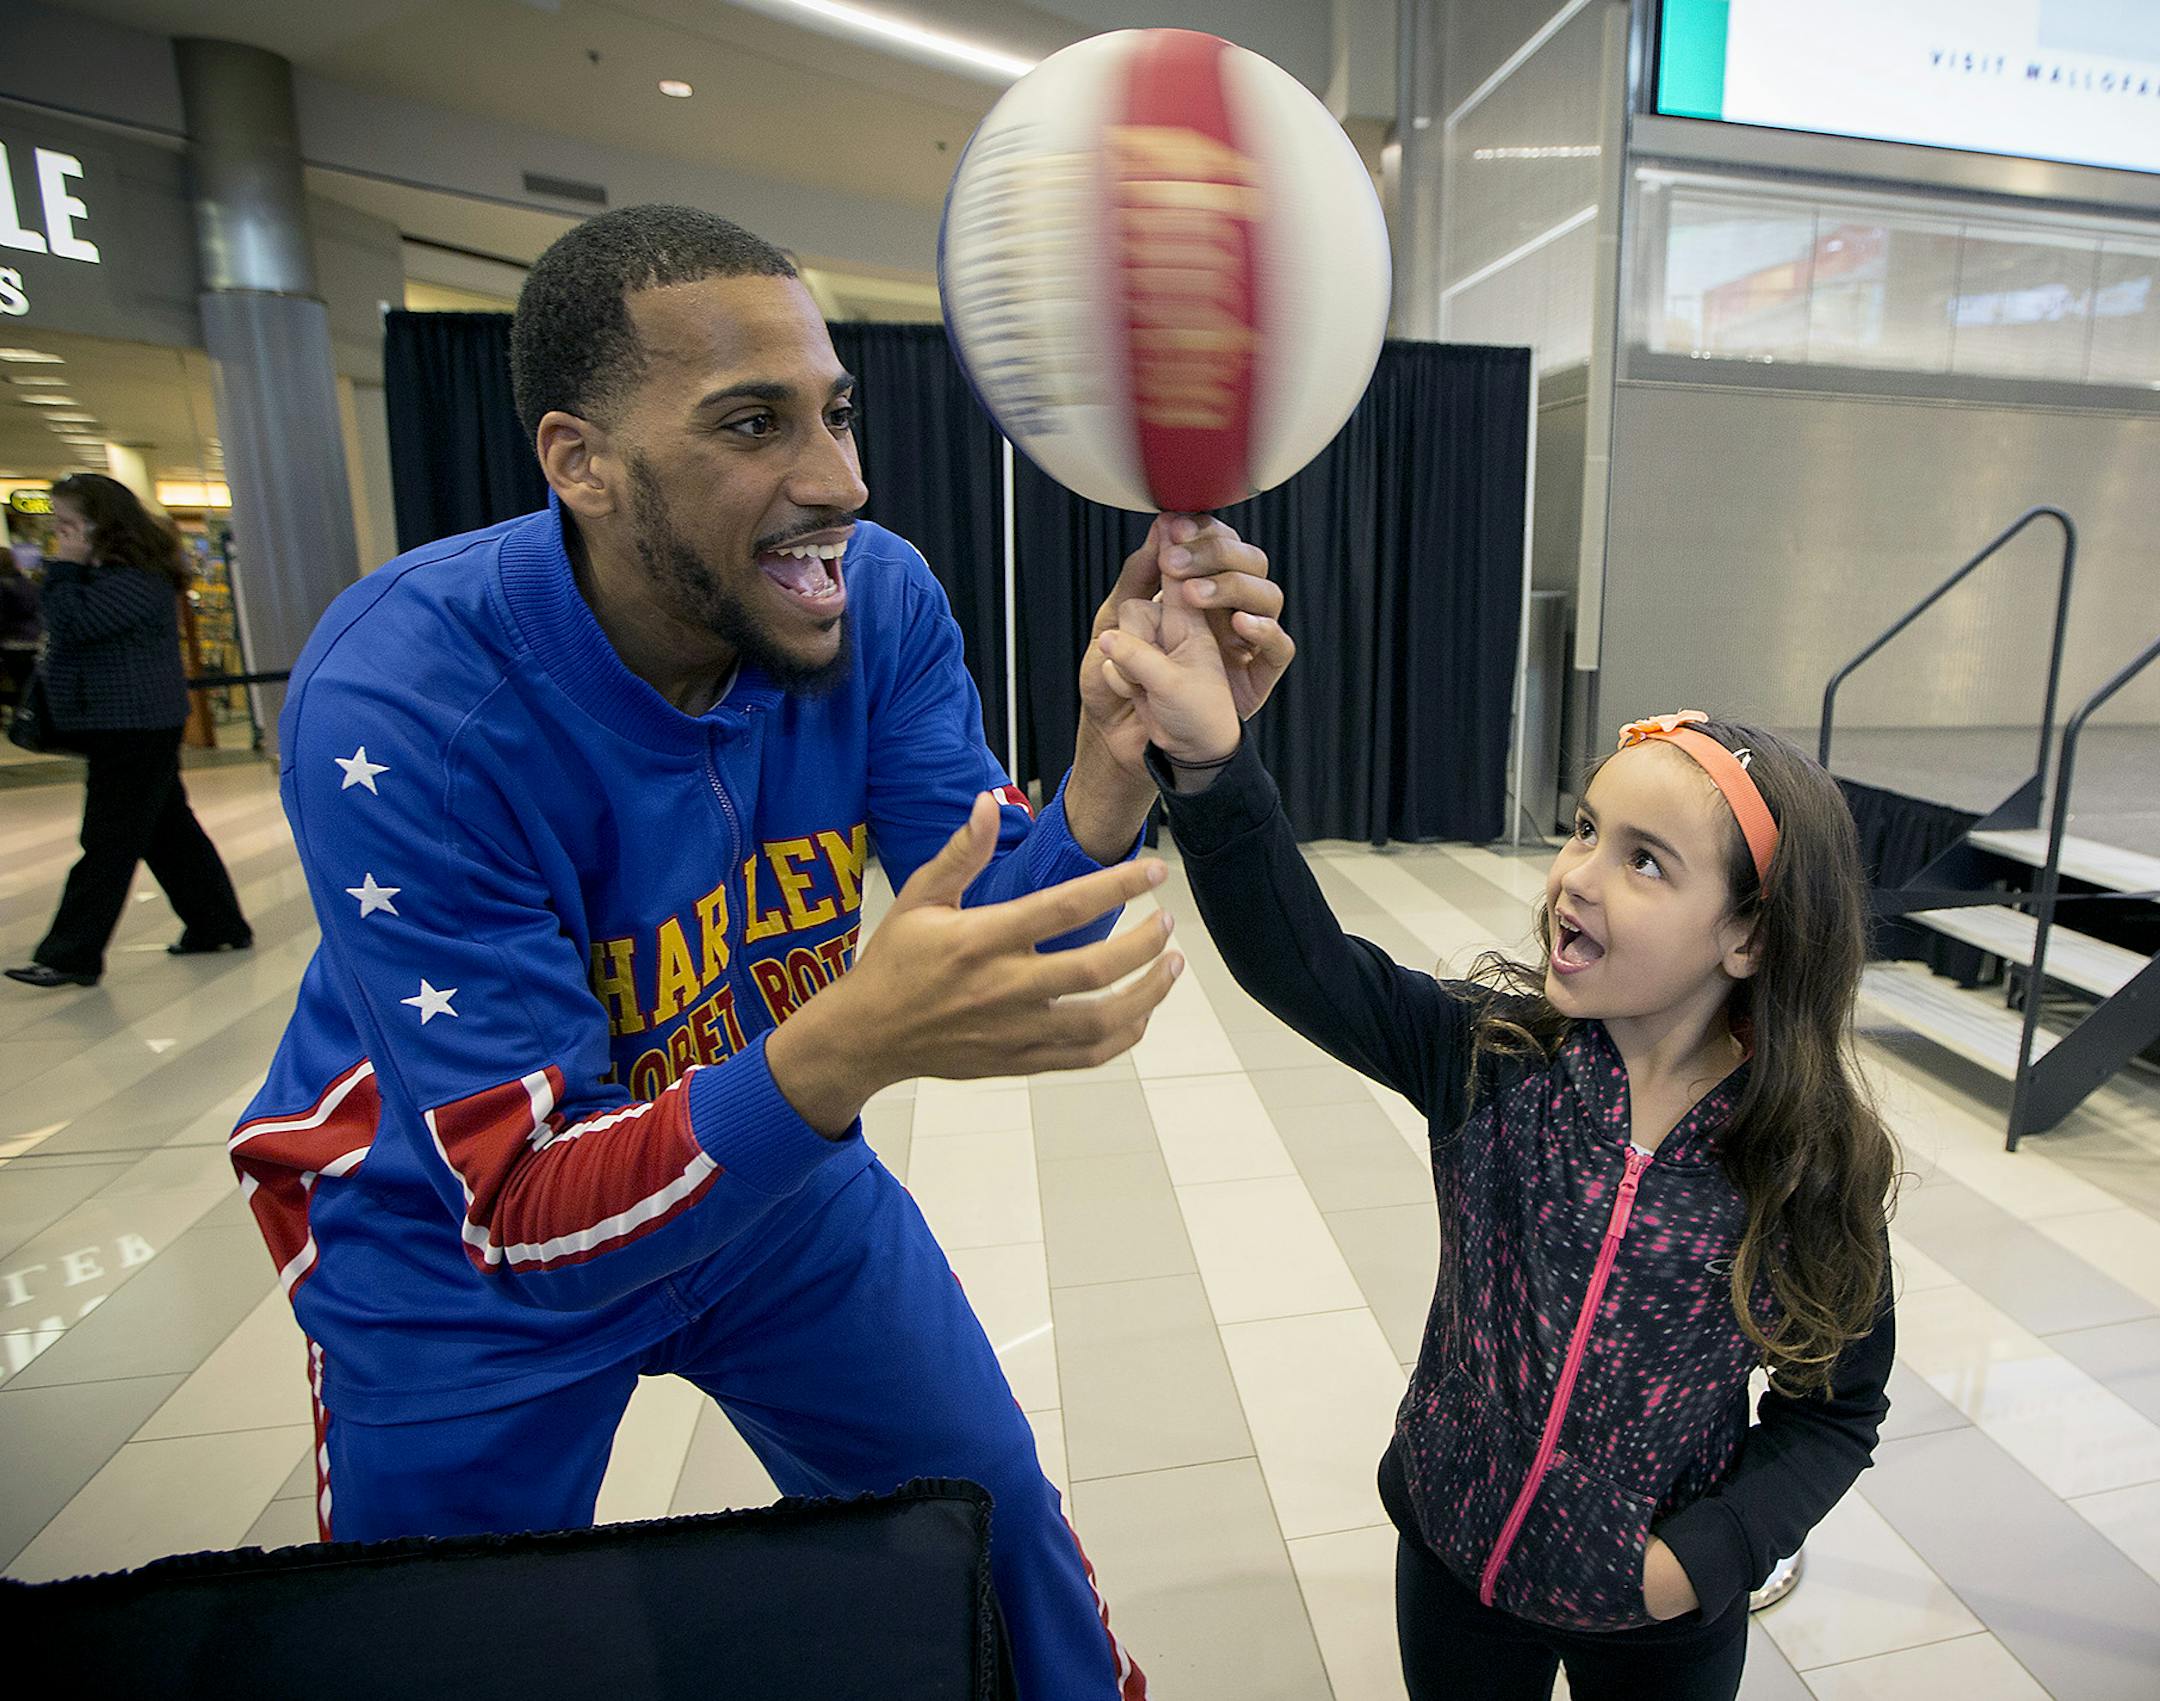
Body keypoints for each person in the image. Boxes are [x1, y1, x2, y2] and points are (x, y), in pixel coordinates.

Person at [226, 205, 1293, 1701]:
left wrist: (1114, 758)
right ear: (578, 460)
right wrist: (853, 1039)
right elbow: (527, 1206)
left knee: (993, 1532)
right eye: (753, 424)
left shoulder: (878, 602)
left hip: (763, 1170)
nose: (839, 481)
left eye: (837, 415)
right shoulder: (405, 697)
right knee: (436, 1653)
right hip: (459, 1253)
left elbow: (984, 924)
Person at [1097, 593, 1898, 1700]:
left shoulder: (1800, 1164)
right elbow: (1302, 963)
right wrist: (1211, 765)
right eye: (1584, 829)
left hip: (1656, 1617)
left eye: (1645, 862)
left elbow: (1835, 1410)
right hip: (1453, 1559)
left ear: (1751, 933)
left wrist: (1699, 1562)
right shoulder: (1496, 1059)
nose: (1575, 875)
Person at [5, 474, 252, 990]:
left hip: (133, 725)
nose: (60, 533)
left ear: (102, 524)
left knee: (108, 840)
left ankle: (71, 953)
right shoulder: (116, 574)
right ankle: (217, 924)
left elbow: (72, 623)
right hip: (125, 723)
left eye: (70, 523)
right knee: (169, 834)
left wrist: (65, 570)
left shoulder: (134, 577)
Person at [0, 538, 39, 719]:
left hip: (10, 641)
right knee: (26, 684)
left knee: (15, 682)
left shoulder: (3, 585)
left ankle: (20, 718)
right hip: (32, 640)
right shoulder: (30, 584)